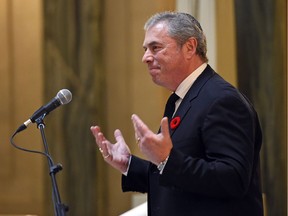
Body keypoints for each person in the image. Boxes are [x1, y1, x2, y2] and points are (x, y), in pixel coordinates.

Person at [90, 11, 263, 216]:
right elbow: (177, 178)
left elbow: (233, 178)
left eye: (155, 47)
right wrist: (129, 164)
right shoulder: (181, 99)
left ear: (189, 47)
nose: (145, 57)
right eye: (145, 49)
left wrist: (166, 159)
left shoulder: (222, 100)